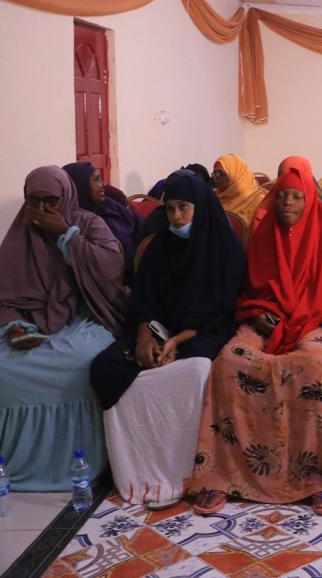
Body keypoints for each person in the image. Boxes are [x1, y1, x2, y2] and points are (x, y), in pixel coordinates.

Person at [188, 159, 322, 515]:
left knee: (312, 364)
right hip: (265, 318)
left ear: (308, 201)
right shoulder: (263, 235)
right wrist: (257, 312)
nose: (288, 203)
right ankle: (222, 474)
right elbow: (251, 288)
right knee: (229, 362)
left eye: (296, 197)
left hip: (310, 320)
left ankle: (313, 476)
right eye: (283, 196)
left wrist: (294, 321)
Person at [90, 170, 245, 509]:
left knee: (197, 371)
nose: (176, 216)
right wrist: (147, 332)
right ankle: (138, 470)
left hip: (204, 332)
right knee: (106, 369)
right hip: (160, 329)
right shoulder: (159, 247)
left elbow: (223, 309)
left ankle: (185, 471)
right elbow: (143, 301)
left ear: (200, 207)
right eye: (170, 209)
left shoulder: (223, 248)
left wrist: (180, 340)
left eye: (184, 208)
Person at [0, 166, 125, 490]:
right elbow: (5, 294)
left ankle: (82, 462)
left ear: (66, 197)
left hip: (88, 315)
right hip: (30, 321)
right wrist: (15, 326)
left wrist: (67, 236)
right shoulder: (20, 234)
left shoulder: (88, 223)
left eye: (50, 201)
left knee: (80, 359)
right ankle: (15, 463)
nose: (41, 210)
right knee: (4, 366)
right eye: (34, 201)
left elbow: (112, 268)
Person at [63, 161, 141, 281]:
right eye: (97, 180)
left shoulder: (109, 206)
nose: (103, 185)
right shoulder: (73, 222)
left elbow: (140, 225)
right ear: (80, 186)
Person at [211, 153, 267, 226]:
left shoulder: (259, 201)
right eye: (215, 173)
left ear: (236, 175)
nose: (217, 178)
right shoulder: (213, 197)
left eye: (221, 173)